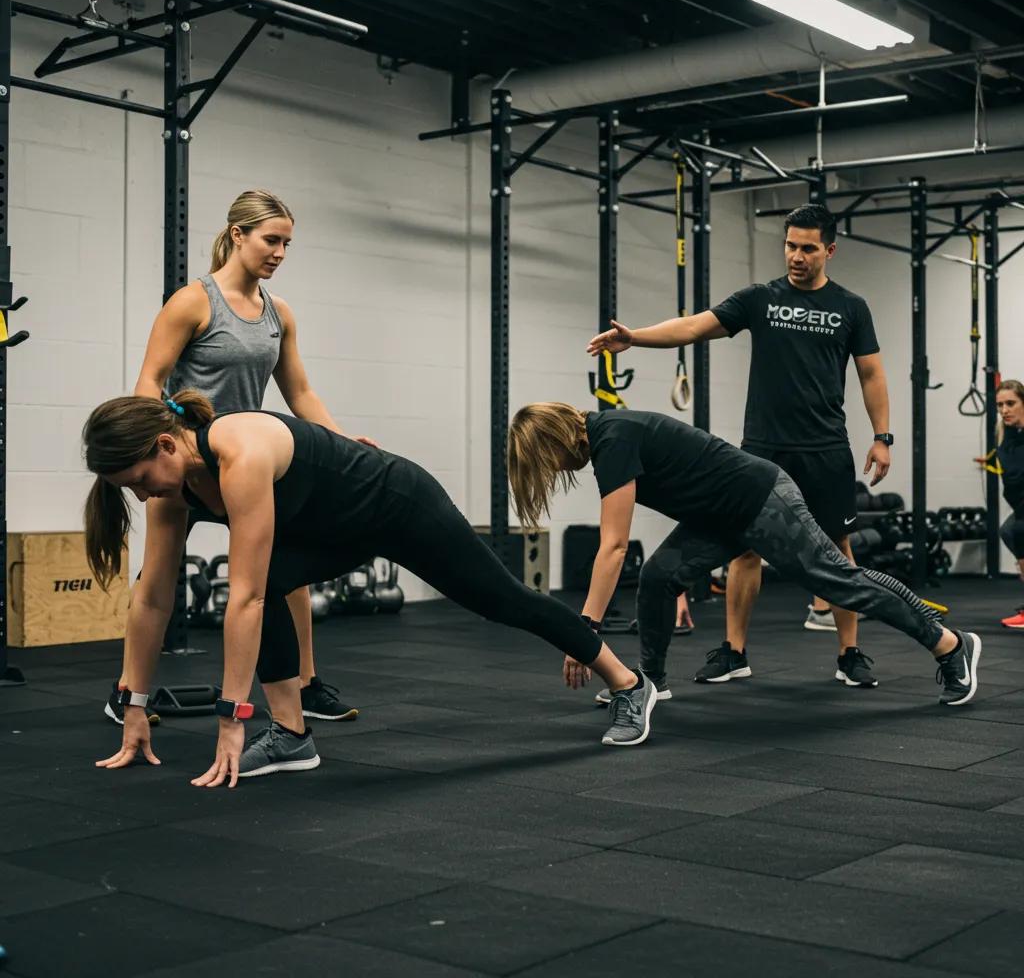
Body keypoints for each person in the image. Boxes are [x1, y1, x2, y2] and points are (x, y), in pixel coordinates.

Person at [86, 392, 657, 787]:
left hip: (397, 504)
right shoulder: (170, 492)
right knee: (275, 577)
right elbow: (153, 598)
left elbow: (245, 599)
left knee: (501, 600)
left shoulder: (239, 451)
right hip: (333, 529)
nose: (142, 496)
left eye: (138, 481)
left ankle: (628, 683)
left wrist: (230, 718)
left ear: (165, 444)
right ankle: (290, 734)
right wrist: (132, 705)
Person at [589, 203, 891, 690]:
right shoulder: (760, 299)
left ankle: (850, 652)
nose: (796, 255)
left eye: (808, 248)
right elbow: (694, 326)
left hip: (825, 447)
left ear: (829, 250)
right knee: (746, 549)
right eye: (790, 245)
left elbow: (871, 373)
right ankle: (734, 652)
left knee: (838, 548)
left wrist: (882, 437)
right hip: (764, 449)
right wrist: (635, 338)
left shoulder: (850, 307)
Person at [508, 402, 981, 712]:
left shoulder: (612, 438)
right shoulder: (608, 438)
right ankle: (647, 681)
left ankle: (949, 645)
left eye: (543, 461)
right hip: (720, 515)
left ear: (555, 441)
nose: (550, 472)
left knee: (840, 581)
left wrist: (583, 630)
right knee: (658, 577)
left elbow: (612, 547)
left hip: (761, 499)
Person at [104, 190, 363, 728]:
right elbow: (149, 383)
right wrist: (156, 453)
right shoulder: (193, 302)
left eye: (288, 244)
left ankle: (307, 685)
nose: (280, 253)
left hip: (246, 464)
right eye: (272, 240)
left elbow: (301, 392)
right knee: (158, 578)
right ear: (238, 234)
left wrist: (341, 445)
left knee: (287, 575)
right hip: (185, 462)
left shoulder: (278, 313)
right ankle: (129, 692)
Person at [976, 379, 1024, 628]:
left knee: (1019, 531)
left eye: (1011, 404)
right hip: (1020, 505)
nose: (1004, 409)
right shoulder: (1006, 435)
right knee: (1008, 531)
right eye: (1000, 405)